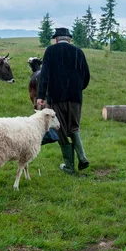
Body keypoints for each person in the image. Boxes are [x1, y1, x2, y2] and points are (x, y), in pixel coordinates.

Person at [36, 27, 91, 174]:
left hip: (56, 97)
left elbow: (44, 75)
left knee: (59, 129)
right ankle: (82, 158)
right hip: (75, 99)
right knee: (73, 127)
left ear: (56, 39)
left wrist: (40, 95)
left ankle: (69, 166)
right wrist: (77, 89)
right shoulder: (79, 52)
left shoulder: (50, 51)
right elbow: (86, 76)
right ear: (69, 39)